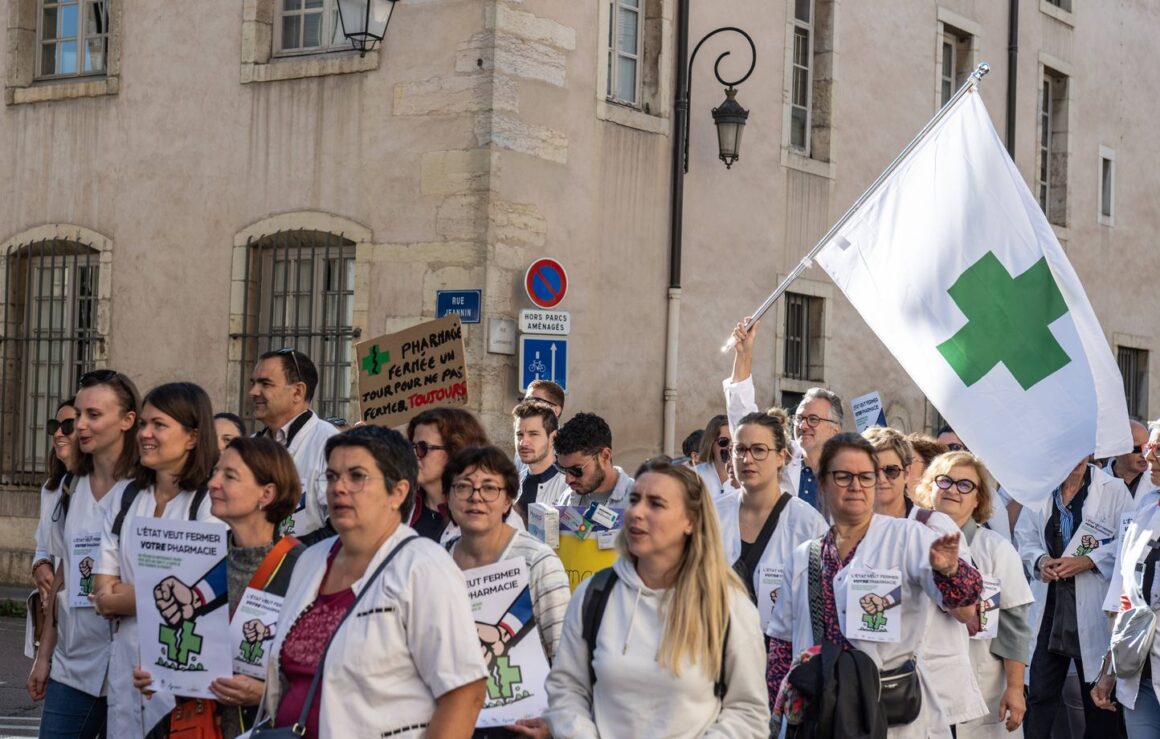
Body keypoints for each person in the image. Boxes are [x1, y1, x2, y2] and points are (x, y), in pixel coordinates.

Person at [260, 425, 487, 738]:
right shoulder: (311, 561)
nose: (338, 488)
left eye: (356, 476)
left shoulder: (424, 567)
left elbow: (464, 693)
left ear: (398, 492)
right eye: (331, 476)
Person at [766, 433, 983, 739]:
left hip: (892, 714)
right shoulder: (803, 558)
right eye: (844, 476)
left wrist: (950, 571)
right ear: (823, 482)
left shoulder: (908, 537)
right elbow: (781, 647)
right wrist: (775, 716)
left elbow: (965, 599)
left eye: (866, 477)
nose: (856, 486)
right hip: (821, 714)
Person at [544, 461, 770, 737]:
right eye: (634, 499)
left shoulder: (727, 605)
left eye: (656, 504)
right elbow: (566, 689)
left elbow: (748, 712)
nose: (637, 512)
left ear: (691, 521)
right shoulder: (595, 595)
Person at [131, 436, 305, 738]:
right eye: (215, 472)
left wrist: (265, 693)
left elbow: (321, 674)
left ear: (267, 493)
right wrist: (162, 674)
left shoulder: (304, 568)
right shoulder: (197, 560)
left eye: (230, 476)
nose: (213, 483)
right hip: (198, 728)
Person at [91, 382, 219, 739]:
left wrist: (125, 596)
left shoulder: (211, 503)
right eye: (143, 423)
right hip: (126, 667)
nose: (144, 433)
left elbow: (201, 594)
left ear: (193, 436)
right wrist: (155, 596)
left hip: (182, 668)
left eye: (158, 425)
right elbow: (101, 590)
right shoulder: (126, 496)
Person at [28, 373, 140, 739]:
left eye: (94, 414)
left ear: (128, 420)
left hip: (128, 669)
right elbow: (63, 574)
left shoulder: (145, 490)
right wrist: (44, 656)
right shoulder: (72, 485)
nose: (81, 425)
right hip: (71, 665)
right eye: (78, 414)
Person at [863, 426, 988, 729]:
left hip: (925, 687)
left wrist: (949, 571)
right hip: (865, 684)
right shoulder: (850, 529)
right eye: (871, 471)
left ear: (907, 473)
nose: (881, 479)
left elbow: (966, 613)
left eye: (891, 471)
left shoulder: (932, 526)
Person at [443, 445, 572, 739]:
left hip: (522, 728)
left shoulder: (538, 561)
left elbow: (567, 655)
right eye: (463, 487)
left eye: (490, 488)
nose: (476, 497)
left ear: (508, 501)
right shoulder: (436, 564)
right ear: (448, 497)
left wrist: (556, 723)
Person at [1015, 457, 1133, 738]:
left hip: (1093, 604)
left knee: (1099, 699)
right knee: (1039, 695)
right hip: (1051, 605)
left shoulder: (1113, 490)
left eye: (1083, 453)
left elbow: (1130, 538)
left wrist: (1090, 560)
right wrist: (1041, 560)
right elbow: (1024, 537)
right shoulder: (1041, 490)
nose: (1076, 460)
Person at [919, 451, 1034, 737]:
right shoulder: (909, 539)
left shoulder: (995, 550)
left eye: (965, 485)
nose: (953, 491)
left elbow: (1014, 626)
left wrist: (1016, 689)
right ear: (929, 487)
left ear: (978, 499)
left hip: (981, 684)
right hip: (921, 686)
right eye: (944, 481)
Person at [713, 412, 825, 644]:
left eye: (759, 450)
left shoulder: (807, 523)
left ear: (780, 457)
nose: (747, 459)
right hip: (716, 655)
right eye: (740, 449)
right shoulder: (712, 514)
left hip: (778, 661)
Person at [1091, 435, 1160, 736]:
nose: (1150, 456)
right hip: (1138, 671)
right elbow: (1125, 594)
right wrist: (1109, 669)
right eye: (1150, 447)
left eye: (1159, 449)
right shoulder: (1145, 508)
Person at [249, 348, 338, 537]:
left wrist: (287, 556)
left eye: (265, 384)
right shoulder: (249, 446)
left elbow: (340, 527)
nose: (253, 392)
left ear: (297, 392)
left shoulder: (330, 444)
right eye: (253, 383)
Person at [407, 407, 521, 543]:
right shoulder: (401, 504)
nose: (414, 455)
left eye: (422, 448)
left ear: (454, 451)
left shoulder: (496, 515)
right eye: (411, 447)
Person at [721, 319, 806, 500]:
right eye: (800, 418)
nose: (805, 425)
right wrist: (744, 353)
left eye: (814, 419)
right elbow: (741, 411)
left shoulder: (836, 468)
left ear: (836, 428)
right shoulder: (789, 460)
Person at [31, 398, 80, 607]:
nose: (58, 433)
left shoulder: (99, 486)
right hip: (55, 602)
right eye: (54, 426)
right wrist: (40, 564)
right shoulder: (51, 488)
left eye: (68, 426)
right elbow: (44, 542)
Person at [553, 412, 633, 508]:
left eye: (576, 470)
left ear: (605, 456)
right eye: (562, 469)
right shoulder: (568, 497)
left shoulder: (638, 501)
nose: (568, 479)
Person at [512, 400, 571, 519]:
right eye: (519, 435)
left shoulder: (568, 486)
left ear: (553, 438)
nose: (523, 443)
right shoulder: (512, 484)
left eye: (533, 434)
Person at [694, 415, 738, 498]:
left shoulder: (744, 476)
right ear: (710, 444)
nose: (730, 446)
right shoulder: (695, 475)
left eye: (734, 441)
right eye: (723, 441)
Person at [1106, 419, 1149, 498]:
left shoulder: (1156, 482)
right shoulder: (1094, 482)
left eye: (1147, 448)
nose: (1145, 454)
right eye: (1137, 449)